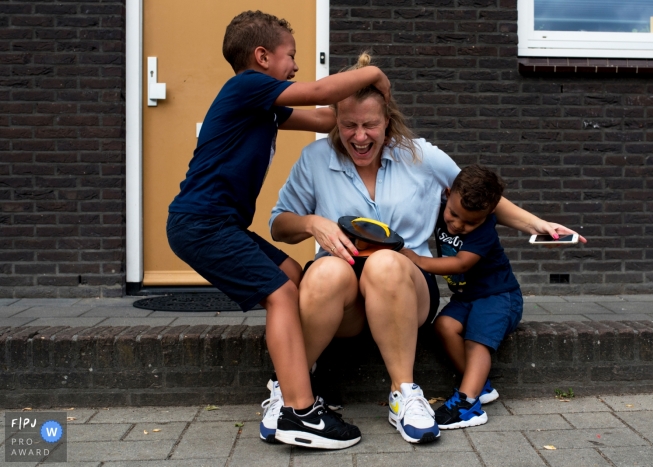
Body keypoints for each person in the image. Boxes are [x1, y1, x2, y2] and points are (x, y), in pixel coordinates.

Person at [269, 53, 584, 445]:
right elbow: (279, 224)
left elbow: (476, 196)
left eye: (370, 125)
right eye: (349, 125)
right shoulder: (314, 159)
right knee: (326, 269)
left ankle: (404, 394)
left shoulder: (419, 155)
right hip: (341, 299)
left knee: (386, 262)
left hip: (405, 287)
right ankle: (290, 392)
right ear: (335, 120)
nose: (359, 136)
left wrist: (538, 224)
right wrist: (310, 222)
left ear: (388, 121)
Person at [166, 11, 392, 450]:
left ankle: (291, 384)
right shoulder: (246, 87)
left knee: (293, 276)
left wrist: (356, 108)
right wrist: (374, 72)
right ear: (262, 56)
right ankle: (301, 413)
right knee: (282, 293)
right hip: (202, 222)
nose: (296, 65)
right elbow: (321, 92)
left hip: (217, 223)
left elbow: (326, 118)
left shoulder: (263, 108)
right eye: (291, 56)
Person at [401, 165, 525, 429]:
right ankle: (481, 387)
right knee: (444, 326)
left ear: (489, 214)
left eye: (469, 222)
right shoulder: (441, 208)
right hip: (468, 296)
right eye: (453, 214)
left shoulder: (485, 231)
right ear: (448, 195)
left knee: (477, 339)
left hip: (499, 297)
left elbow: (460, 264)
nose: (457, 225)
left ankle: (468, 404)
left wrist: (418, 260)